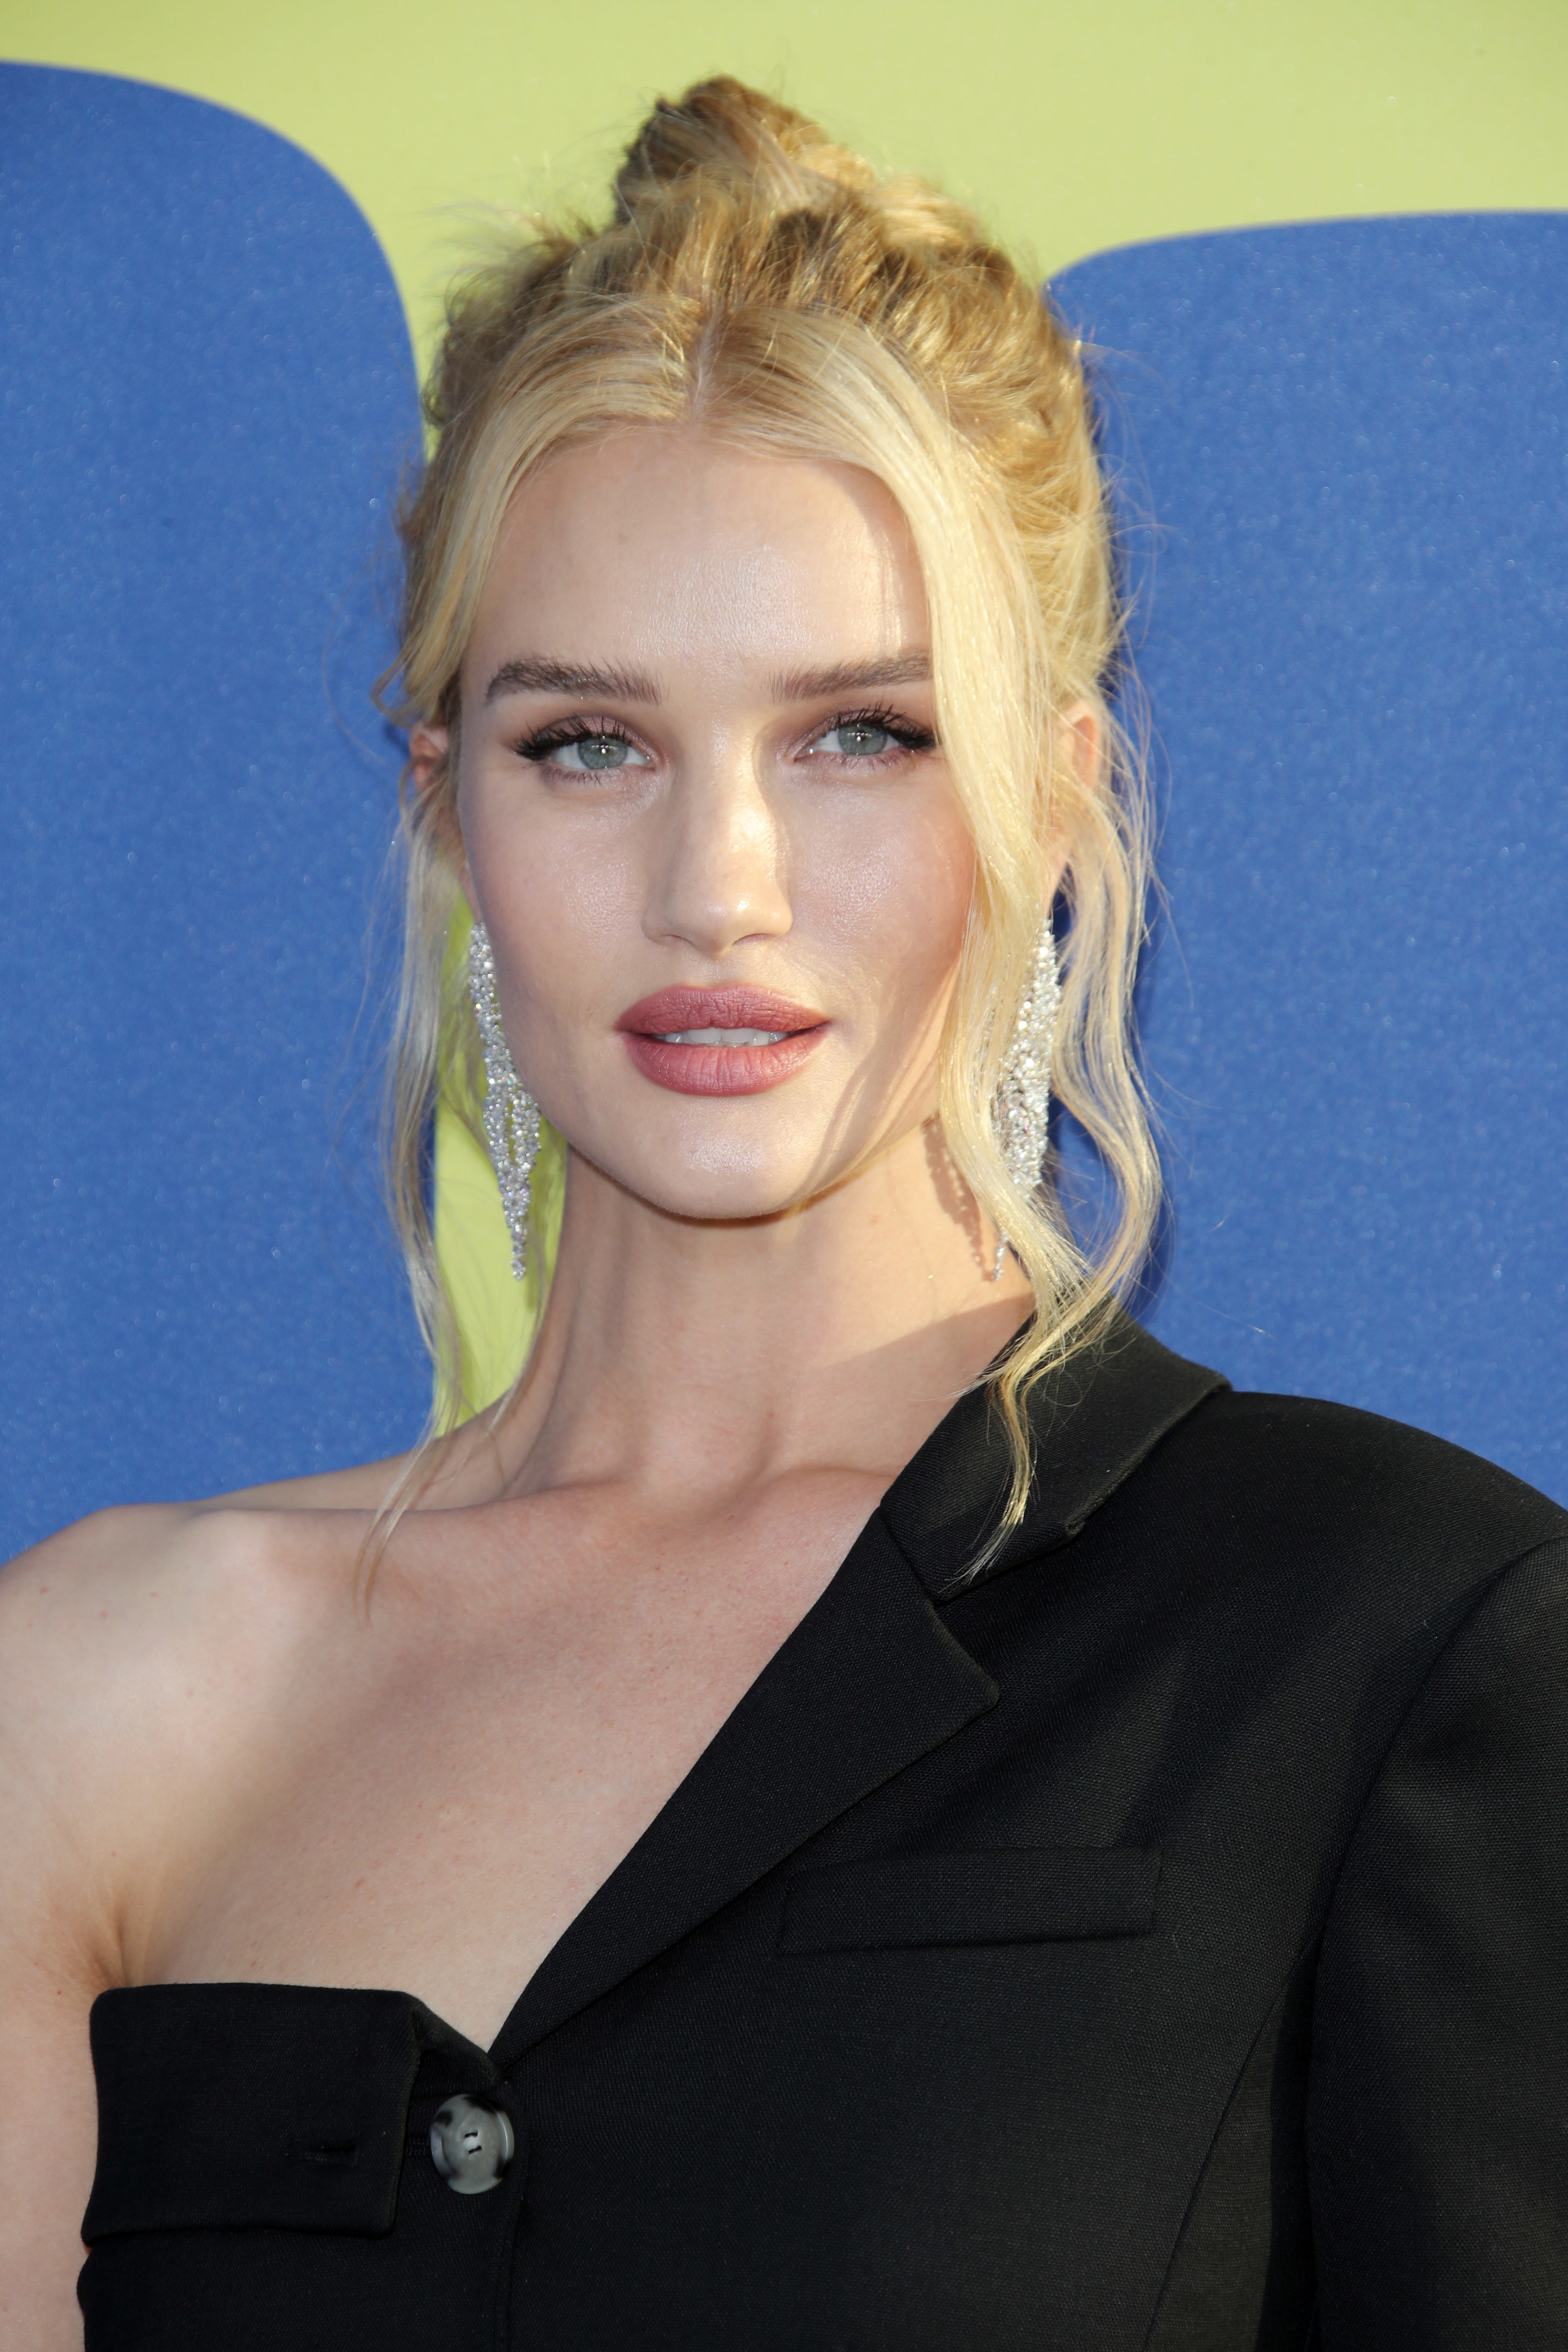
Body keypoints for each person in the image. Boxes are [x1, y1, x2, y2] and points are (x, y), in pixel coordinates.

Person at [1, 74, 1564, 2352]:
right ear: (446, 816)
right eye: (587, 742)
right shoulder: (99, 1696)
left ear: (1049, 805)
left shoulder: (1387, 1642)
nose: (715, 885)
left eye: (858, 735)